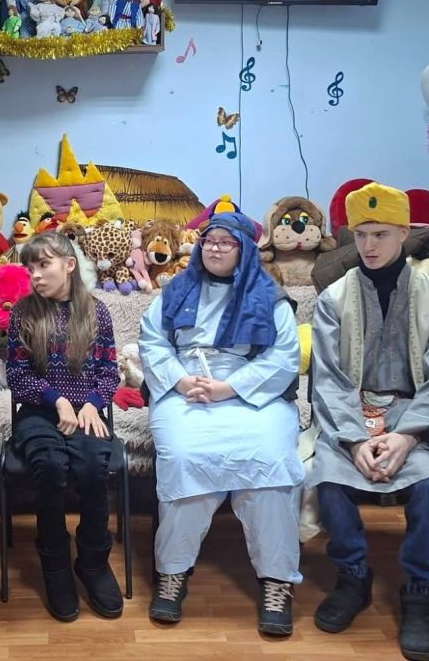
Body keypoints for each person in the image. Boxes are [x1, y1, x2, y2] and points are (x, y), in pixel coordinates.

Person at [308, 182, 429, 661]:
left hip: (415, 412)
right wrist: (355, 440)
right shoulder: (334, 298)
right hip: (351, 411)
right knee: (329, 479)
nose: (369, 246)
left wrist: (408, 436)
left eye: (380, 234)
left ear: (403, 233)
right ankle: (353, 576)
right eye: (361, 235)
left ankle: (419, 590)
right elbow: (329, 379)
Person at [139, 211, 304, 636]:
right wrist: (181, 381)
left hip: (251, 392)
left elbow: (283, 358)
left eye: (225, 242)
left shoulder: (270, 297)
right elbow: (153, 343)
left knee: (271, 461)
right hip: (186, 387)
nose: (214, 248)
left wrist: (229, 388)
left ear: (244, 249)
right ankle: (173, 572)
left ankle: (277, 580)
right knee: (185, 458)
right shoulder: (175, 290)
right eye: (208, 240)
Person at [6, 231, 123, 621]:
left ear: (69, 265)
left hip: (86, 410)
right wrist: (56, 399)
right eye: (30, 268)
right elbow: (17, 376)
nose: (35, 275)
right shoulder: (23, 313)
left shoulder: (97, 312)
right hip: (40, 411)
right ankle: (55, 562)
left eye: (44, 265)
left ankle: (92, 561)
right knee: (50, 465)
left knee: (92, 467)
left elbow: (109, 371)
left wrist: (93, 403)